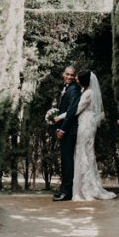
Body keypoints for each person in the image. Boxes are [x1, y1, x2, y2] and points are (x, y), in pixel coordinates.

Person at [71, 70, 116, 202]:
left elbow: (76, 110)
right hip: (89, 124)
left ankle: (86, 188)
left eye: (78, 79)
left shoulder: (87, 93)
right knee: (87, 153)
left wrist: (58, 116)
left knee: (83, 152)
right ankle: (89, 185)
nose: (77, 80)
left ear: (84, 80)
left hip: (85, 124)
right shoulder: (88, 91)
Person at [48, 65, 81, 201]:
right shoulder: (66, 88)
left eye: (72, 75)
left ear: (75, 76)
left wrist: (63, 129)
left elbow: (72, 112)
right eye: (67, 74)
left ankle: (67, 193)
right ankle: (64, 189)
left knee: (68, 162)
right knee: (65, 161)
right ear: (63, 74)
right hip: (64, 129)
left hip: (69, 131)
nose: (69, 77)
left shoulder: (73, 90)